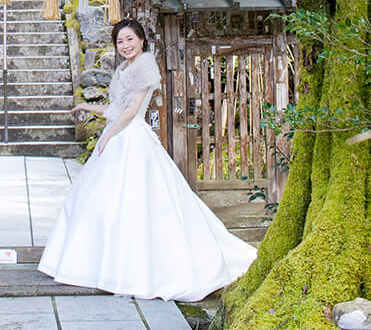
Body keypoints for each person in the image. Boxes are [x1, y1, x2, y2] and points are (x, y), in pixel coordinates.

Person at [38, 18, 257, 301]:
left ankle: (134, 270)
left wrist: (107, 136)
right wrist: (88, 107)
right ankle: (102, 266)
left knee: (136, 204)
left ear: (141, 40)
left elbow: (131, 112)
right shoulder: (125, 69)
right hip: (119, 135)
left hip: (131, 138)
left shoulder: (144, 67)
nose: (125, 45)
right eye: (120, 41)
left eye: (130, 39)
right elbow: (116, 109)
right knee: (100, 202)